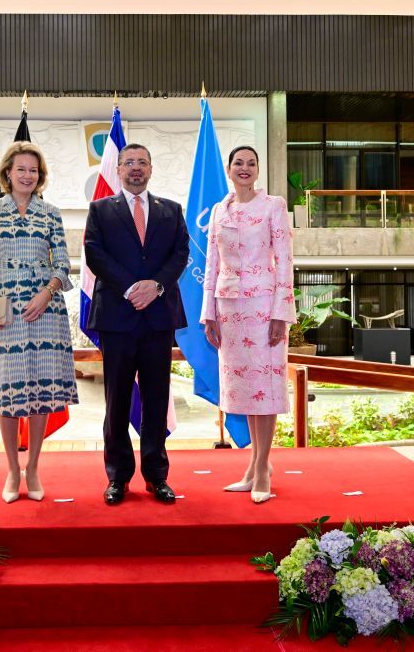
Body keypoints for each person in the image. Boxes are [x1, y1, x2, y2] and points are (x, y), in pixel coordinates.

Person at [0, 141, 78, 503]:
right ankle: (13, 469)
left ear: (40, 176)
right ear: (8, 174)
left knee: (42, 391)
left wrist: (47, 294)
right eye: (21, 169)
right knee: (7, 390)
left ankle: (34, 468)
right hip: (2, 306)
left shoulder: (51, 214)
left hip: (44, 309)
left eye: (34, 170)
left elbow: (63, 263)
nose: (27, 175)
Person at [84, 143, 189, 505]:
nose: (135, 168)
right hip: (117, 316)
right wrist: (131, 288)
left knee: (157, 401)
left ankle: (157, 476)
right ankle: (118, 477)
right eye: (128, 162)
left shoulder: (171, 211)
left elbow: (181, 253)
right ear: (119, 169)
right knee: (116, 401)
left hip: (158, 318)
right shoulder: (100, 210)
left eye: (142, 162)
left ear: (151, 168)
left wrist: (155, 286)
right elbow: (94, 253)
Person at [201, 146, 294, 504]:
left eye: (251, 163)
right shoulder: (219, 210)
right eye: (238, 163)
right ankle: (256, 464)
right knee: (245, 392)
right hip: (228, 310)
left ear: (258, 170)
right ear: (228, 169)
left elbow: (284, 260)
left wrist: (280, 313)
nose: (245, 168)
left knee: (265, 390)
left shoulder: (273, 205)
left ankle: (262, 468)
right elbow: (211, 264)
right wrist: (208, 312)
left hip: (263, 307)